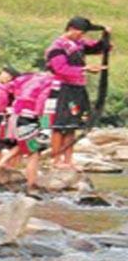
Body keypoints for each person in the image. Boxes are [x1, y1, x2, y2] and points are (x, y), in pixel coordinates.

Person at [45, 16, 111, 171]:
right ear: (71, 29)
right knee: (59, 125)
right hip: (63, 88)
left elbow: (97, 48)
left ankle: (68, 160)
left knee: (72, 125)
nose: (82, 36)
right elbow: (60, 69)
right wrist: (85, 69)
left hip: (77, 88)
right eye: (81, 32)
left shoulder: (78, 44)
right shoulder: (57, 48)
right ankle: (56, 159)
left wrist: (105, 37)